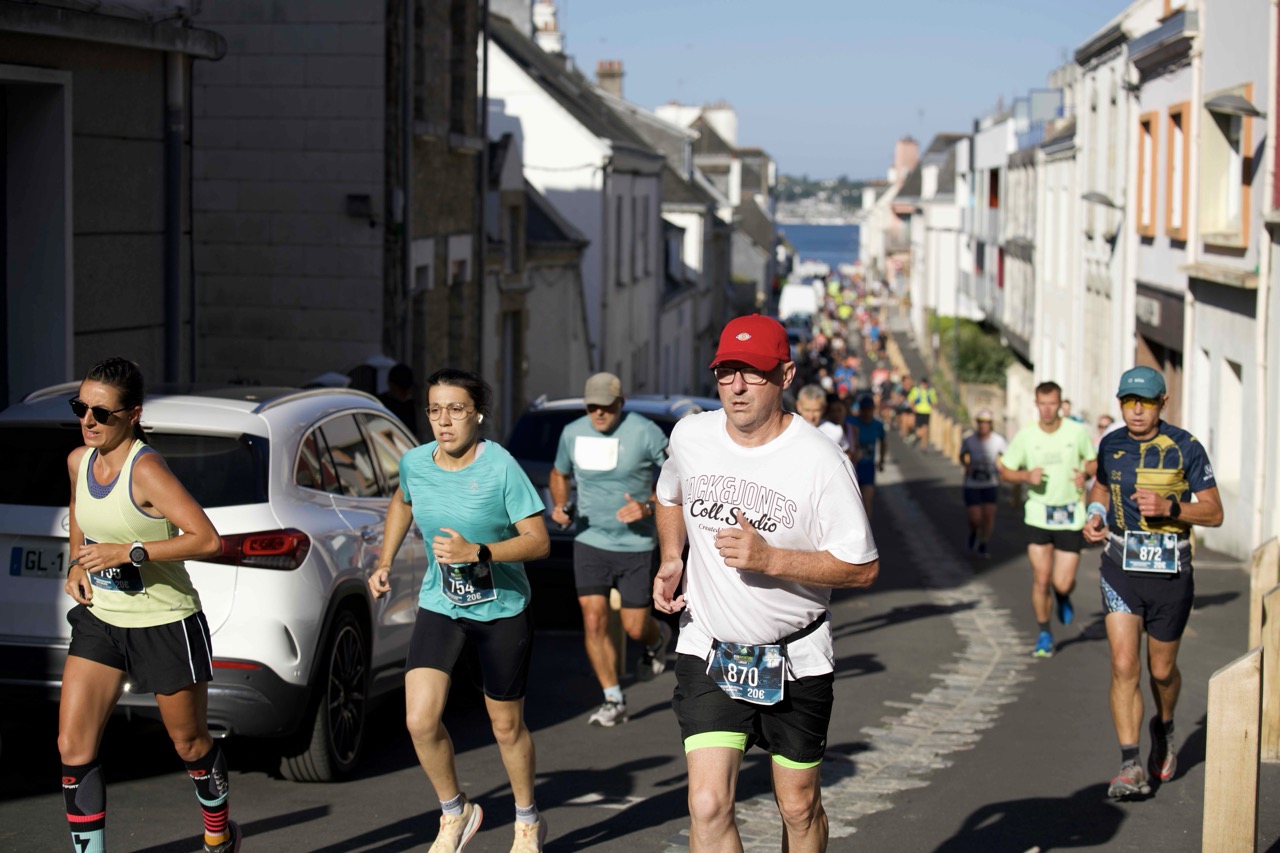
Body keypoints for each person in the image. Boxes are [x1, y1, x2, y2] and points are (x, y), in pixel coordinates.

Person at [653, 314, 880, 852]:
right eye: (725, 372)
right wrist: (671, 556)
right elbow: (668, 495)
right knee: (707, 804)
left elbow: (863, 567)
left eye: (752, 372)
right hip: (710, 647)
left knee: (798, 806)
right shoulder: (691, 435)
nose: (736, 387)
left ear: (785, 375)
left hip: (795, 656)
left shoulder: (821, 460)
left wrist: (772, 559)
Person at [369, 368, 551, 852]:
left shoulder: (501, 466)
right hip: (442, 602)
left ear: (478, 414)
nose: (444, 421)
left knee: (505, 726)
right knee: (419, 720)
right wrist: (384, 562)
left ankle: (527, 821)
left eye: (456, 409)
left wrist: (479, 552)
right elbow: (402, 501)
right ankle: (455, 811)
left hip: (502, 608)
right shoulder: (415, 462)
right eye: (435, 410)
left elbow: (538, 541)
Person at [59, 357, 234, 853]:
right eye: (80, 408)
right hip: (102, 621)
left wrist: (129, 552)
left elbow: (207, 539)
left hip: (165, 622)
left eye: (101, 413)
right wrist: (76, 563)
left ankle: (219, 834)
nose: (88, 420)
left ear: (133, 414)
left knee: (189, 744)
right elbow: (79, 510)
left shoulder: (147, 470)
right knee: (72, 745)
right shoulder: (79, 461)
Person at [1083, 367, 1222, 800]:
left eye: (1145, 402)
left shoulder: (1186, 446)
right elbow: (1101, 489)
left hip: (1171, 571)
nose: (1137, 410)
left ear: (1163, 402)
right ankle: (1130, 764)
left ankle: (1164, 724)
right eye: (1129, 402)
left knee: (1161, 671)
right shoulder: (1111, 444)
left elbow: (1214, 512)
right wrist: (1096, 515)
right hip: (1120, 566)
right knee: (1124, 664)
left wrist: (1171, 508)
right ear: (1120, 404)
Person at [550, 372, 673, 728]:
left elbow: (678, 473)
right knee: (593, 619)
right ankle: (613, 698)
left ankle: (657, 637)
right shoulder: (572, 433)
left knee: (635, 627)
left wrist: (647, 506)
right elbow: (559, 473)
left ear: (621, 403)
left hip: (636, 543)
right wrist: (560, 505)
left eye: (606, 406)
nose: (599, 413)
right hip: (590, 540)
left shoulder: (644, 431)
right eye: (592, 407)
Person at [998, 381, 1098, 658]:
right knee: (1041, 579)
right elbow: (1005, 470)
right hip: (1038, 515)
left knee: (1062, 582)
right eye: (1042, 404)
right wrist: (1024, 476)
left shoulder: (1076, 432)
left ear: (1060, 404)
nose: (1046, 409)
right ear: (1036, 404)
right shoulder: (1026, 436)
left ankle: (1063, 595)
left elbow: (1093, 461)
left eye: (1052, 404)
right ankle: (1044, 633)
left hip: (1070, 516)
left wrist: (1085, 474)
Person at [959, 409, 1007, 559]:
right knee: (975, 518)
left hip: (990, 483)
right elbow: (962, 455)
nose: (983, 426)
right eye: (980, 422)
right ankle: (974, 532)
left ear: (991, 424)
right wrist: (966, 465)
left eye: (986, 423)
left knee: (988, 517)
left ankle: (983, 543)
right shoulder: (969, 440)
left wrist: (1002, 468)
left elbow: (1007, 457)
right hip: (972, 483)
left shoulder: (998, 441)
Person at [847, 394, 887, 519]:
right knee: (852, 503)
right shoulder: (851, 422)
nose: (866, 413)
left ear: (873, 409)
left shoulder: (877, 425)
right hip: (853, 467)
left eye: (869, 410)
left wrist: (881, 460)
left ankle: (867, 527)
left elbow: (883, 442)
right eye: (864, 410)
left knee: (867, 500)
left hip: (868, 467)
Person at [795, 384, 849, 451]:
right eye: (807, 410)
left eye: (816, 411)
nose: (811, 416)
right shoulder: (789, 430)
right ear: (798, 406)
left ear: (824, 407)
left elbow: (846, 453)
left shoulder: (836, 431)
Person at [379, 362, 419, 436]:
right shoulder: (380, 405)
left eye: (408, 389)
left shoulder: (410, 405)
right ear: (392, 386)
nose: (405, 393)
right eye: (402, 389)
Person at [907, 376, 938, 449]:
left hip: (927, 412)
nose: (924, 385)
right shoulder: (916, 390)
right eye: (922, 384)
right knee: (920, 429)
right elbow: (910, 399)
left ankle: (923, 446)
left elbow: (934, 401)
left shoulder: (930, 391)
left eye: (925, 384)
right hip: (919, 412)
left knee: (925, 429)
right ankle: (914, 437)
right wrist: (913, 408)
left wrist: (932, 406)